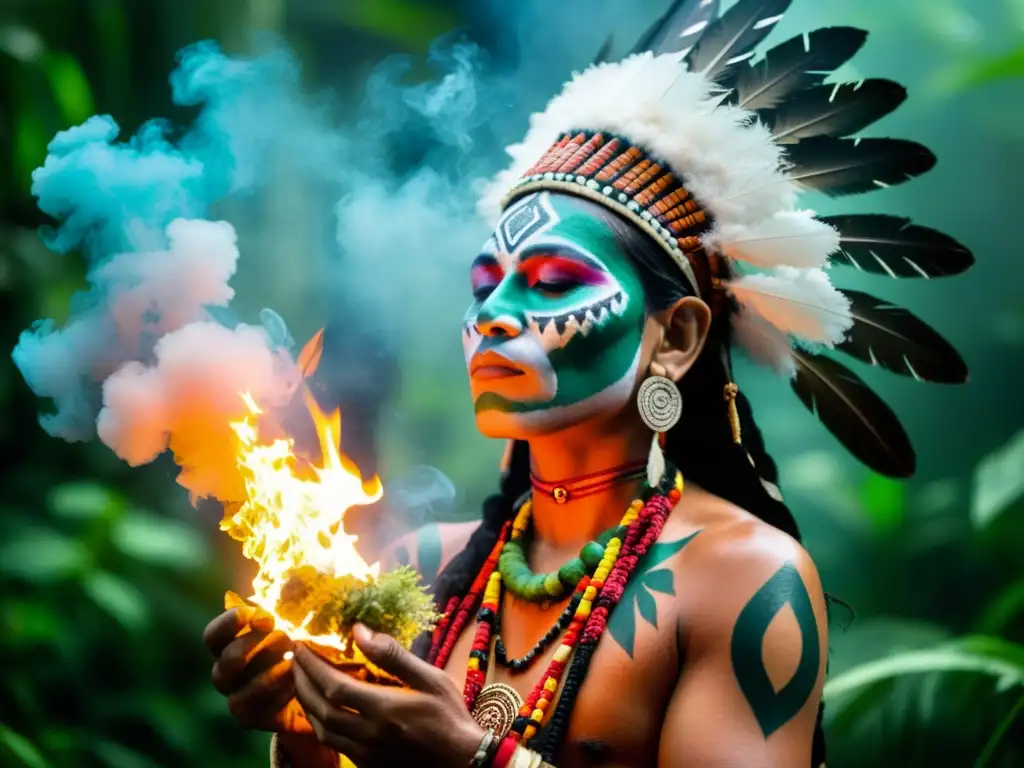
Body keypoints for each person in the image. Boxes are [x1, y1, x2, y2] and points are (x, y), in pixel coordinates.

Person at [203, 1, 974, 765]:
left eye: (550, 280)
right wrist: (308, 733)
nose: (496, 315)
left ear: (675, 337)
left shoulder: (743, 580)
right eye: (485, 285)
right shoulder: (419, 568)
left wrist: (473, 760)